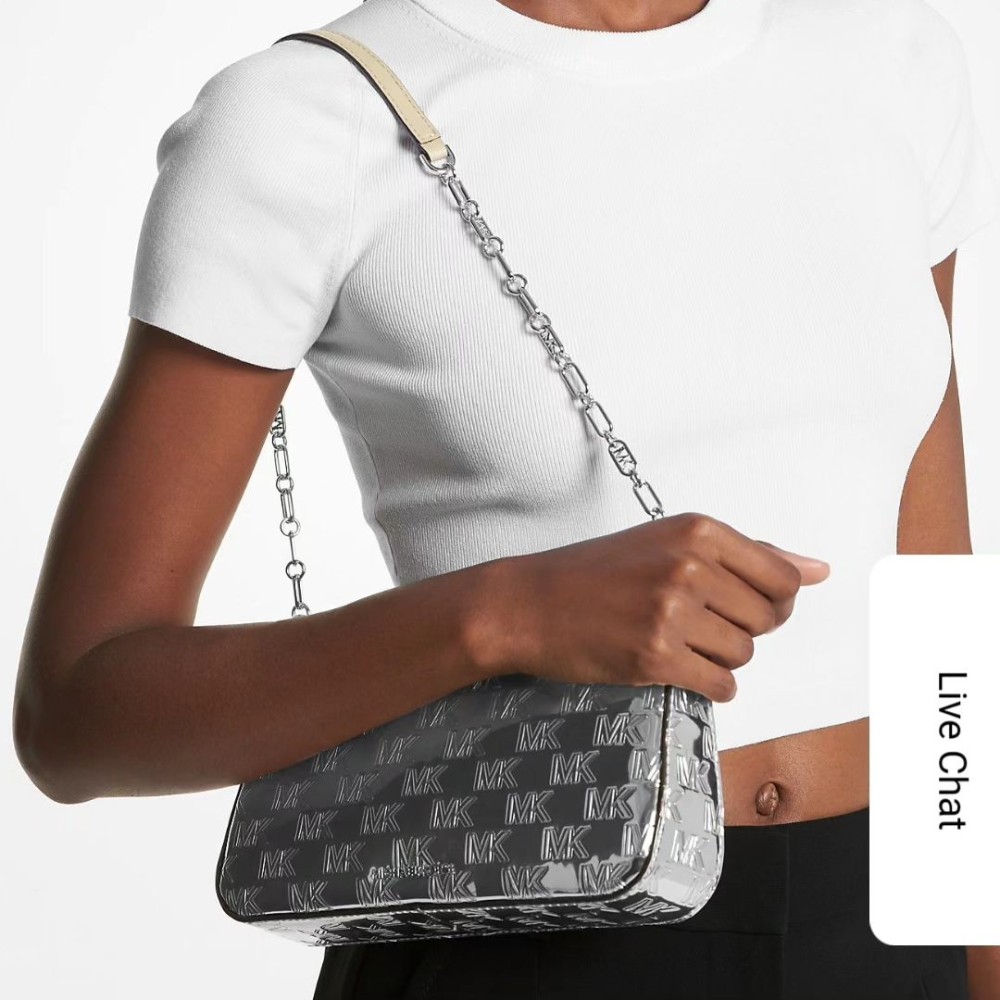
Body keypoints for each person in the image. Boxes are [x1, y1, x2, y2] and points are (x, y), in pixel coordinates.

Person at [12, 0, 1000, 997]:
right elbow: (76, 712)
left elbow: (935, 597)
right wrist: (503, 614)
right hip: (524, 931)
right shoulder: (310, 114)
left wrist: (978, 936)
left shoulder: (888, 56)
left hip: (884, 926)